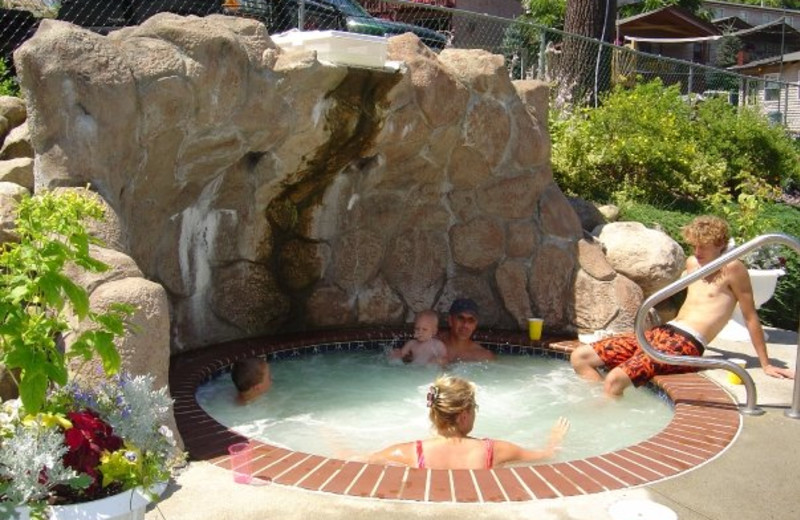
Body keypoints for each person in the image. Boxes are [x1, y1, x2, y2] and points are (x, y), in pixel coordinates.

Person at [570, 215, 795, 398]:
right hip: (664, 333)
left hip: (687, 343)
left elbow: (750, 316)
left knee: (615, 378)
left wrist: (765, 364)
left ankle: (603, 414)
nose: (697, 252)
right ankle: (602, 401)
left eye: (703, 247)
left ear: (720, 245)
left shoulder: (733, 269)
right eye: (694, 245)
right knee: (581, 357)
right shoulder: (692, 263)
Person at [367, 375, 570, 469]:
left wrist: (335, 439)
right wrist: (554, 440)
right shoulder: (494, 450)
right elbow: (546, 456)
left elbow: (358, 460)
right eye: (474, 408)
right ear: (464, 415)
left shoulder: (409, 453)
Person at [439, 298, 495, 362]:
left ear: (475, 325)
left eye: (471, 320)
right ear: (450, 320)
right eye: (461, 318)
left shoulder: (484, 356)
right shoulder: (433, 347)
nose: (465, 325)